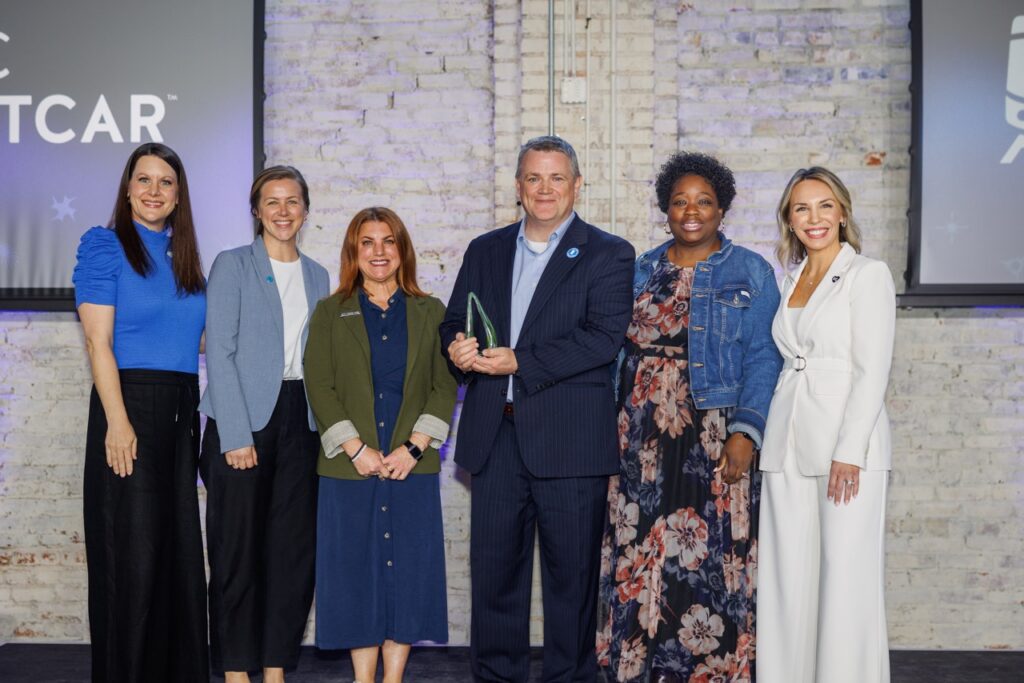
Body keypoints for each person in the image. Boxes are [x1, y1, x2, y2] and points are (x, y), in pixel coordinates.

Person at [440, 135, 635, 683]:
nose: (544, 189)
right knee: (495, 579)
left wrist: (518, 362)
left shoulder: (608, 252)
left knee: (570, 584)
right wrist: (457, 348)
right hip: (494, 438)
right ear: (518, 186)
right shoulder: (486, 249)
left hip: (570, 443)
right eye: (533, 178)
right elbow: (456, 320)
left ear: (576, 185)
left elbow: (603, 338)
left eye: (556, 178)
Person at [596, 152, 782, 682]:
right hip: (639, 437)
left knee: (714, 557)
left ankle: (712, 671)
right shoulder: (639, 269)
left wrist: (746, 432)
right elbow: (612, 351)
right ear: (665, 209)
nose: (691, 210)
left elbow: (765, 357)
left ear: (722, 208)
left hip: (712, 432)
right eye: (680, 201)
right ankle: (638, 668)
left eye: (703, 201)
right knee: (640, 555)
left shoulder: (749, 270)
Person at [72, 142, 208, 682]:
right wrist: (119, 421)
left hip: (181, 411)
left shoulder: (186, 255)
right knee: (133, 558)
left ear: (178, 196)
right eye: (144, 179)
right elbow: (97, 343)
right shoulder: (104, 246)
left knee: (176, 556)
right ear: (127, 188)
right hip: (128, 407)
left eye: (166, 182)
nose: (154, 190)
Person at [304, 207, 457, 683]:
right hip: (351, 470)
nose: (378, 251)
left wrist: (412, 449)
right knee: (355, 579)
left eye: (387, 241)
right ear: (353, 251)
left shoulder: (431, 311)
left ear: (402, 249)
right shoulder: (331, 311)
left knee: (408, 577)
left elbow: (445, 384)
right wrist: (356, 448)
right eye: (366, 242)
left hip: (412, 467)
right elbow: (320, 385)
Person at [757, 167, 896, 683]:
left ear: (842, 213)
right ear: (789, 220)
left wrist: (850, 450)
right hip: (786, 442)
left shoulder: (868, 275)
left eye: (823, 206)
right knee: (787, 580)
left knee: (845, 580)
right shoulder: (789, 277)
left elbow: (872, 370)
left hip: (845, 445)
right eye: (801, 208)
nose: (813, 218)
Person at [198, 166, 330, 683]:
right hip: (242, 419)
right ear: (256, 210)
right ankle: (235, 670)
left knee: (293, 553)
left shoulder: (319, 275)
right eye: (271, 202)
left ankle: (275, 668)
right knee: (235, 551)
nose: (282, 211)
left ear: (305, 209)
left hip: (302, 420)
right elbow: (221, 355)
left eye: (292, 201)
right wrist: (234, 435)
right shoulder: (232, 266)